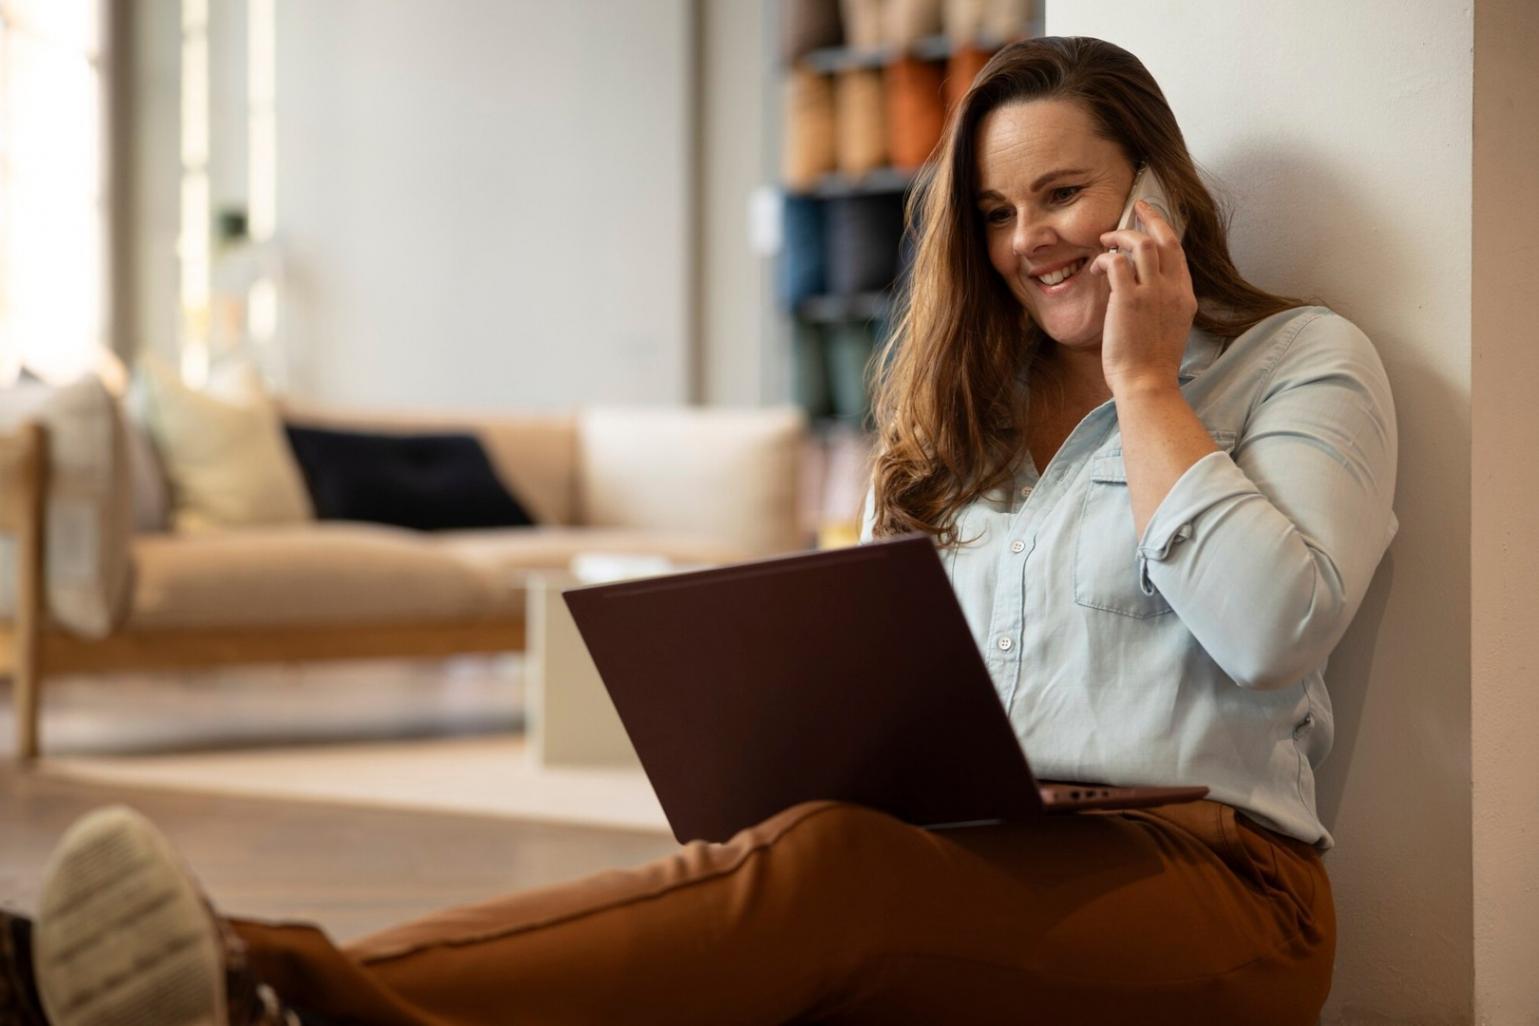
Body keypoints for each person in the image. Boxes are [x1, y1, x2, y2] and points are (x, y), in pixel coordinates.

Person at [1, 35, 1395, 1026]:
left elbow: (1275, 634)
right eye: (991, 210)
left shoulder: (1296, 363)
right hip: (974, 856)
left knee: (814, 884)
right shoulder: (960, 415)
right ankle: (245, 986)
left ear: (1155, 186)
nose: (1027, 238)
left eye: (1062, 193)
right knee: (764, 884)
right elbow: (882, 677)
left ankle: (265, 976)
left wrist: (1147, 382)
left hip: (1216, 884)